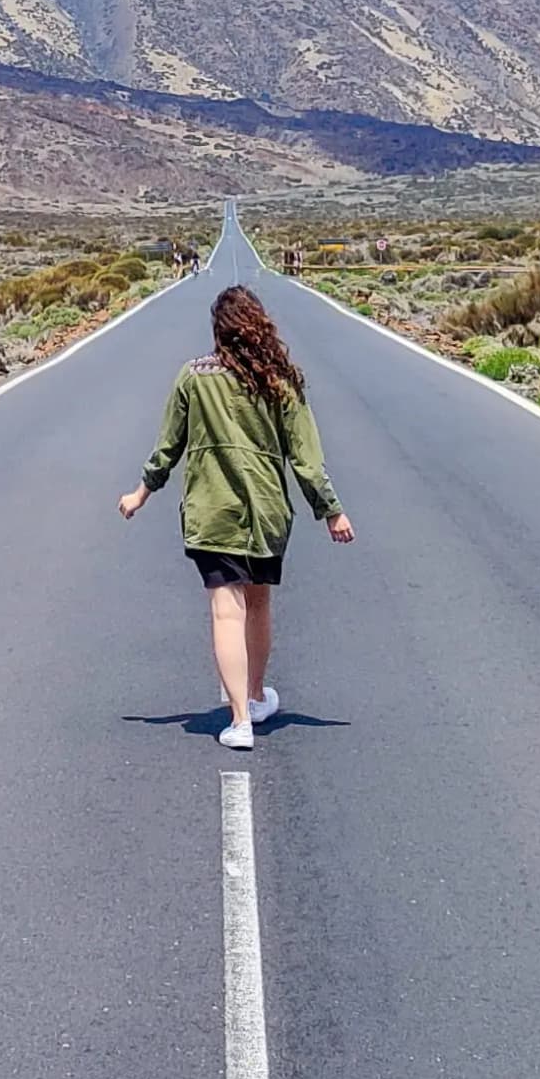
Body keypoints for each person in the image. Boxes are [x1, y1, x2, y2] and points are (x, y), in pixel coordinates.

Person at [121, 283, 351, 749]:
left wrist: (142, 492)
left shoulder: (193, 377)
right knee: (259, 605)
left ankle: (240, 719)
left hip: (212, 511)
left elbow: (168, 446)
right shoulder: (282, 380)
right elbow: (306, 459)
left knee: (227, 611)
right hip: (266, 511)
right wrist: (332, 511)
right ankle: (256, 694)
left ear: (219, 331)